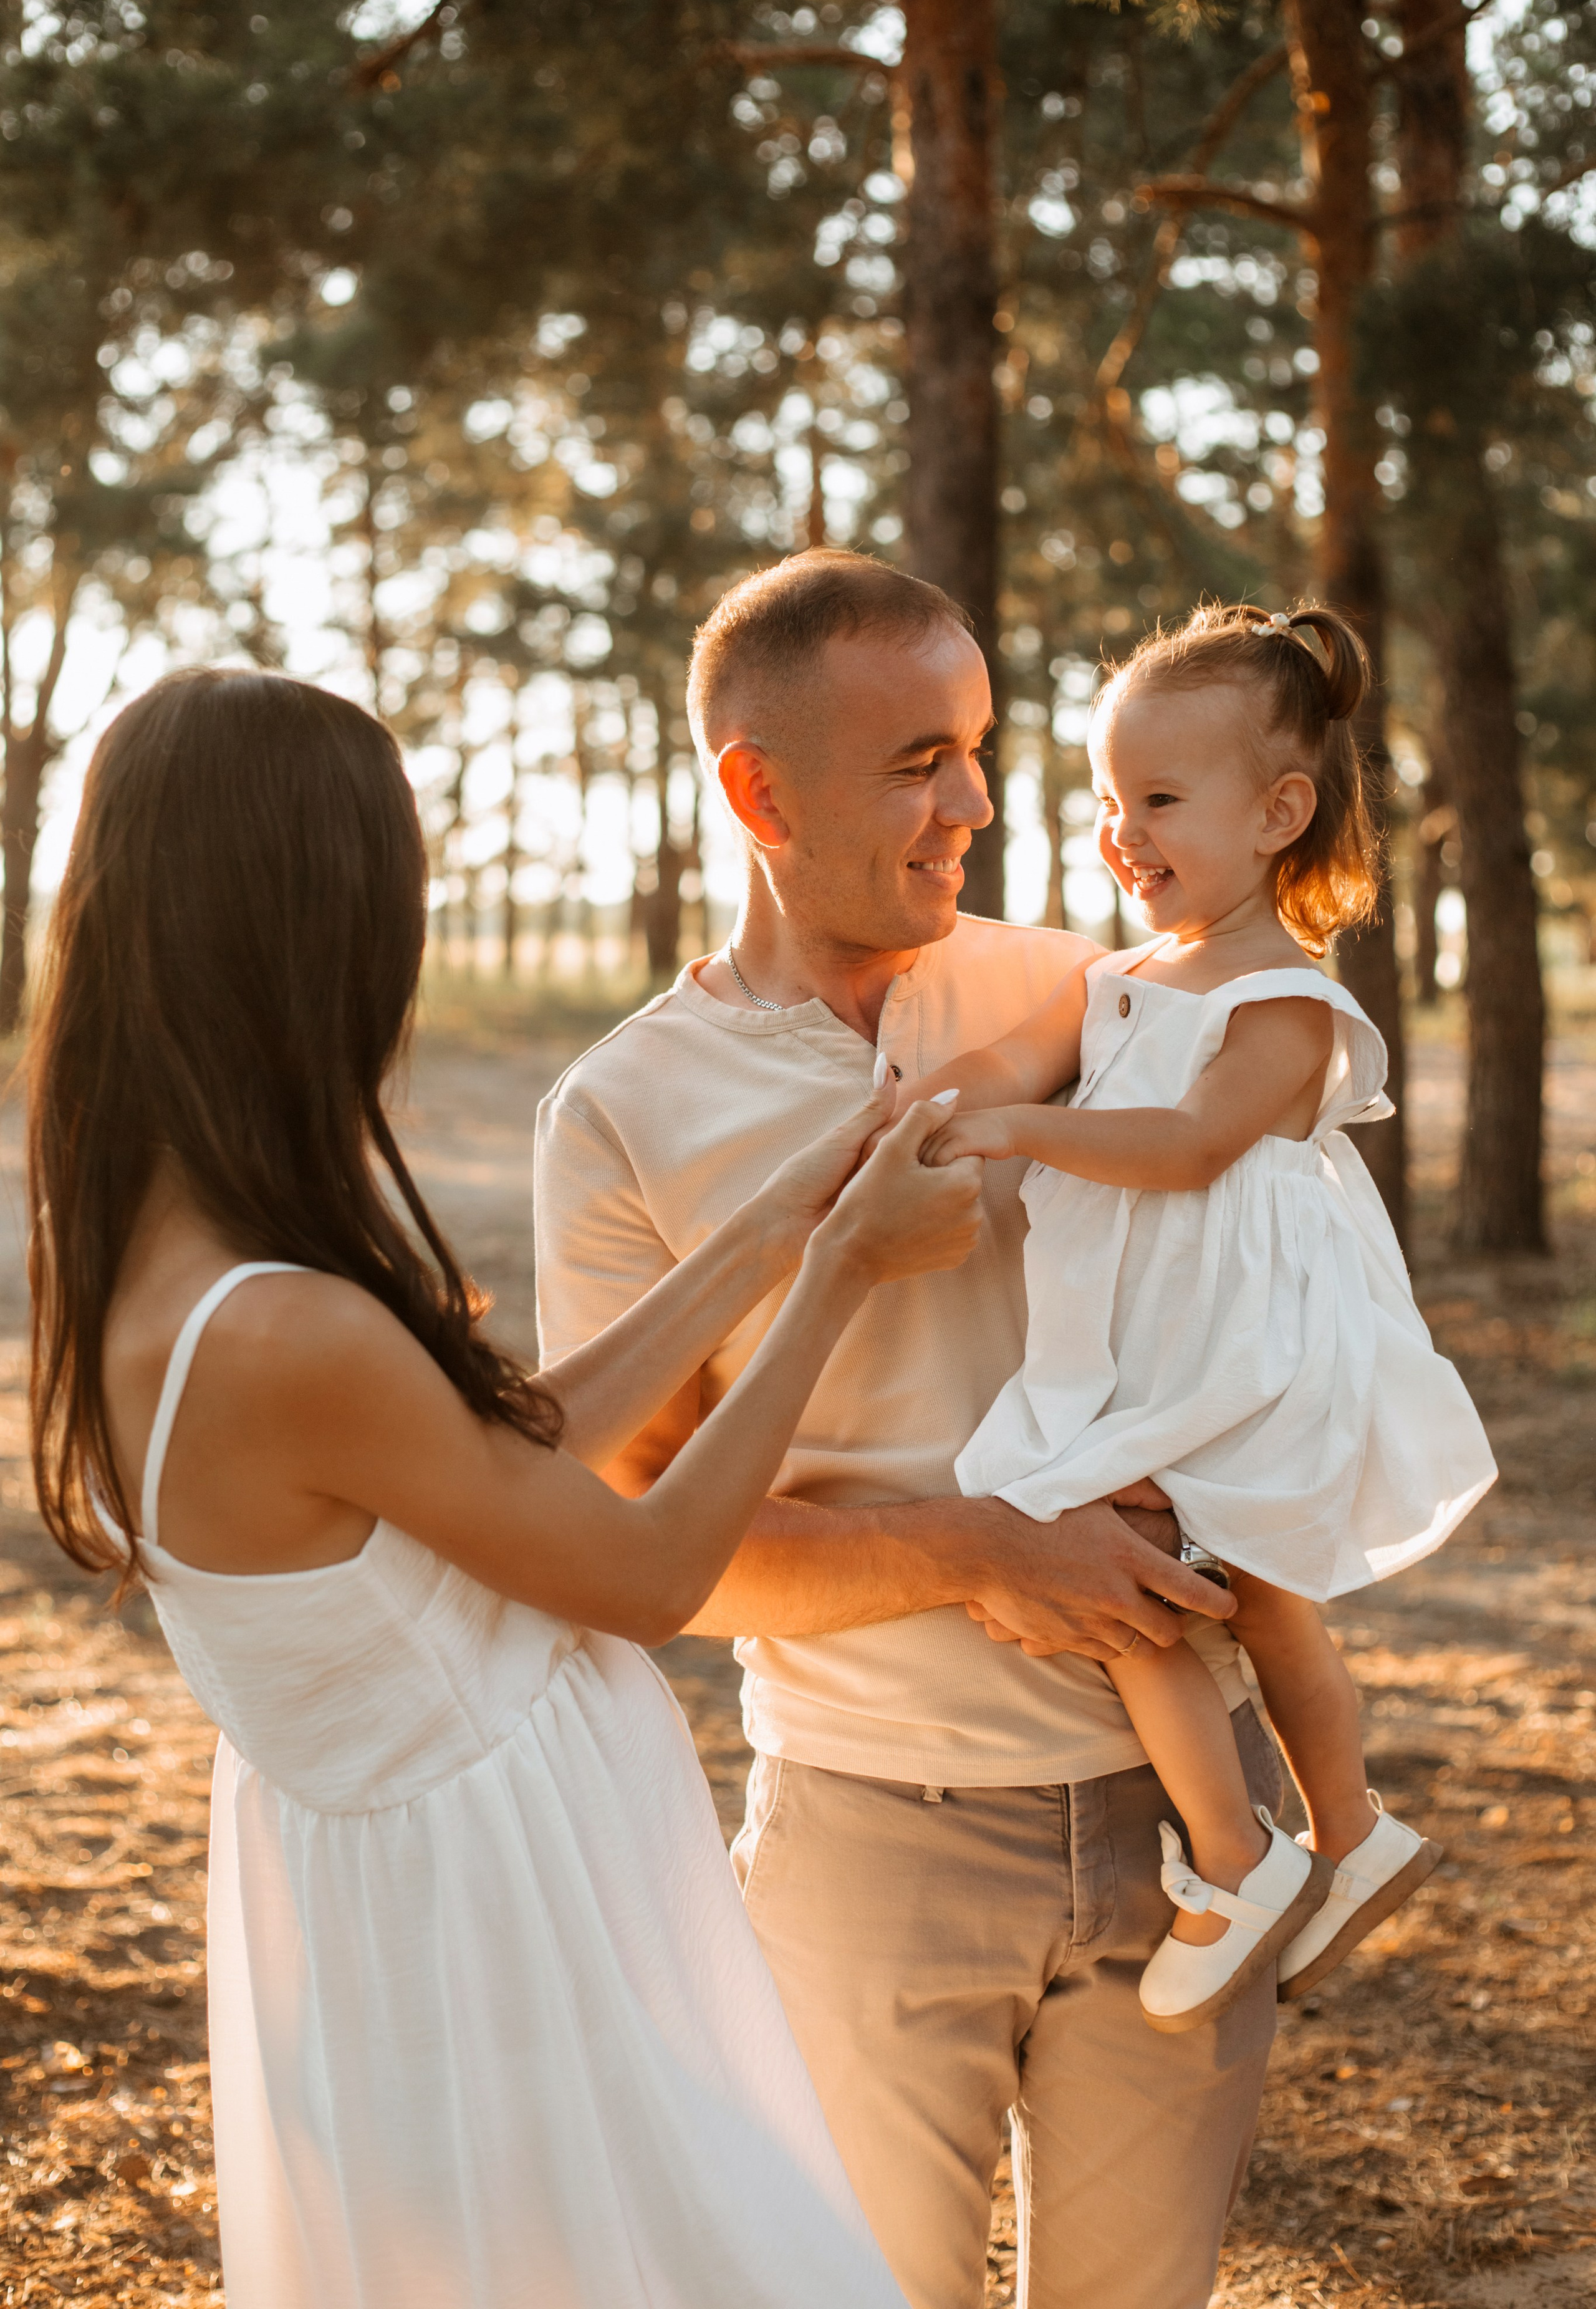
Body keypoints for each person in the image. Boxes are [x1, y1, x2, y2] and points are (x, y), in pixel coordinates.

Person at [29, 667, 988, 2309]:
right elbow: (649, 1573)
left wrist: (770, 1230)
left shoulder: (168, 1247)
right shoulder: (285, 1328)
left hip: (436, 1917)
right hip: (502, 1941)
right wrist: (840, 1276)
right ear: (310, 934)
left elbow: (495, 1458)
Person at [533, 551, 1279, 2309]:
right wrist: (974, 1553)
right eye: (918, 763)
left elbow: (1272, 1282)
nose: (976, 806)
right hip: (875, 1841)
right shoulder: (619, 1114)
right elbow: (645, 1553)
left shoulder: (1096, 995)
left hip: (1188, 1822)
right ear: (757, 794)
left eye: (978, 750)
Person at [910, 600, 1496, 2034]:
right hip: (1140, 1347)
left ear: (1277, 813)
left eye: (1159, 800)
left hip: (1241, 1351)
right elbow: (1009, 1060)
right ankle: (1345, 1838)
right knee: (1200, 1591)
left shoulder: (1285, 1002)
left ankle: (1249, 1855)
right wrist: (917, 1104)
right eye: (1110, 801)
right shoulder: (1117, 979)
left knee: (1141, 1573)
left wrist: (1012, 1133)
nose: (1123, 831)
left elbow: (1184, 1148)